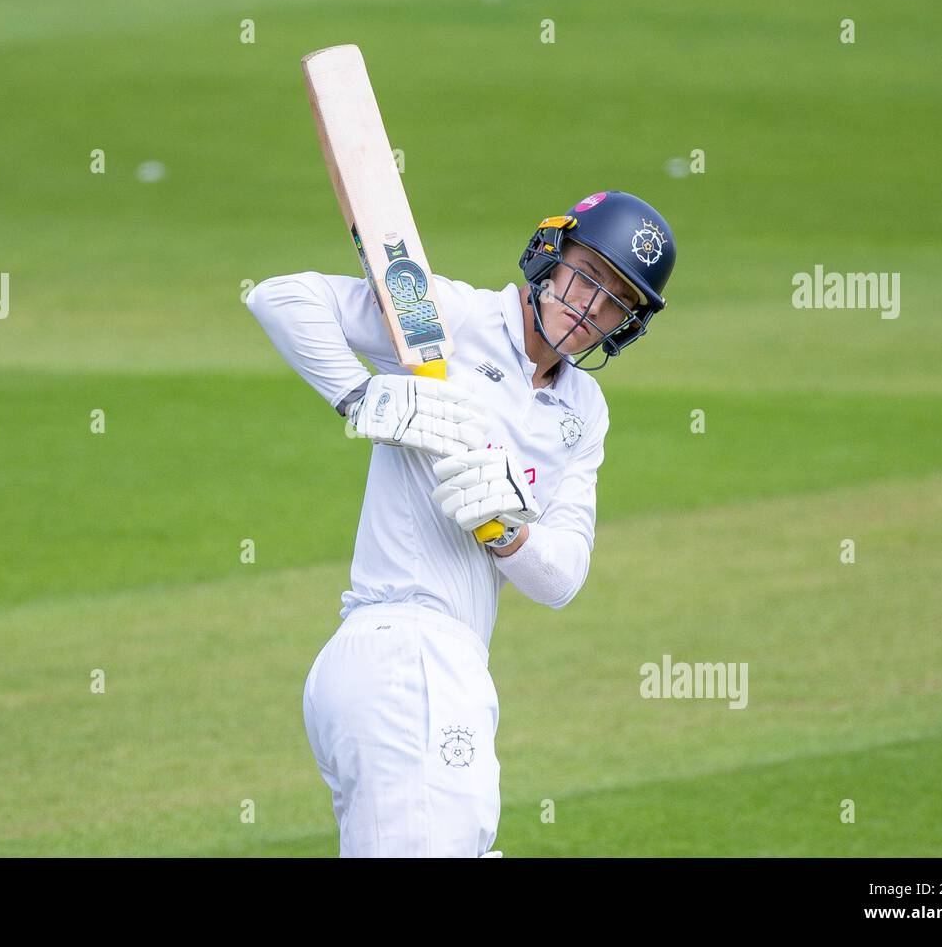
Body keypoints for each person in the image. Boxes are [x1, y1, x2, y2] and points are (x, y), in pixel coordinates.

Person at [247, 190, 677, 857]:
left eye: (617, 299)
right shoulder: (449, 316)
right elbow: (279, 297)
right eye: (587, 276)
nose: (591, 307)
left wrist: (505, 529)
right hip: (404, 657)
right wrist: (360, 395)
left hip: (448, 667)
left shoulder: (583, 410)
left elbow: (561, 576)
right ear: (551, 256)